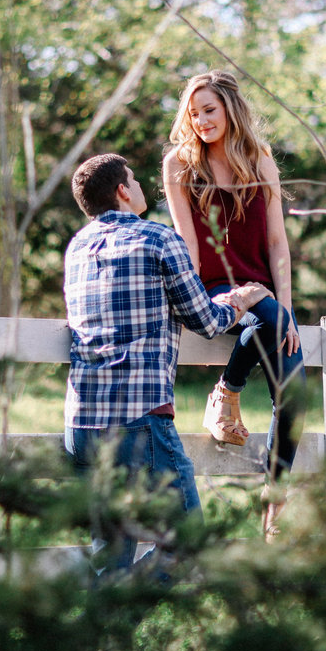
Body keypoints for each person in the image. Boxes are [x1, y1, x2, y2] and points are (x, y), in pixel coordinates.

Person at [64, 152, 272, 577]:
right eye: (135, 179)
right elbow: (207, 321)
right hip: (138, 421)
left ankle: (103, 636)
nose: (141, 187)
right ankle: (122, 609)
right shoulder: (159, 240)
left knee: (110, 557)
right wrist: (243, 297)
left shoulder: (77, 248)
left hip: (81, 423)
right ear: (123, 191)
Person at [162, 70, 306, 539]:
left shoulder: (260, 162)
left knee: (295, 392)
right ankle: (226, 392)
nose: (201, 120)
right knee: (262, 325)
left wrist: (286, 309)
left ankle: (273, 501)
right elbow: (187, 242)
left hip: (263, 294)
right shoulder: (179, 166)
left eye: (210, 110)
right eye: (194, 112)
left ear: (230, 110)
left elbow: (278, 243)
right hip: (208, 289)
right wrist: (193, 300)